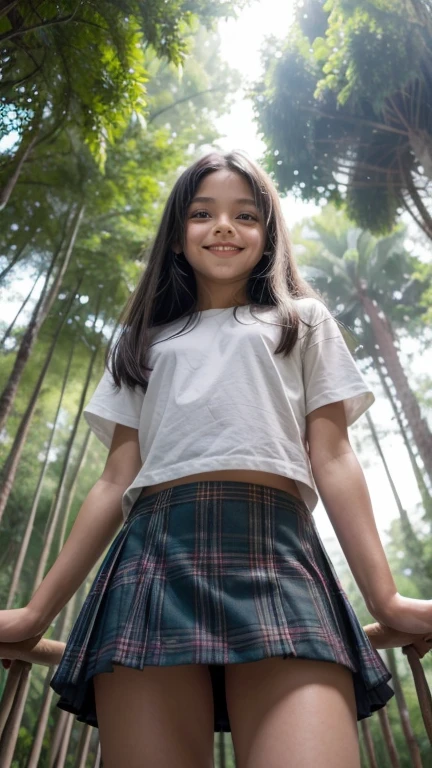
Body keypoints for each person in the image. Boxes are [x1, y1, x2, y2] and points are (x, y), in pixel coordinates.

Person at [0, 150, 431, 768]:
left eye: (245, 215)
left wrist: (386, 602)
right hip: (153, 556)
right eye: (203, 213)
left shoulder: (299, 321)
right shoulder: (139, 340)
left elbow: (333, 459)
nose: (224, 226)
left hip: (280, 551)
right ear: (178, 237)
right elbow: (114, 481)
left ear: (268, 234)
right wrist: (36, 613)